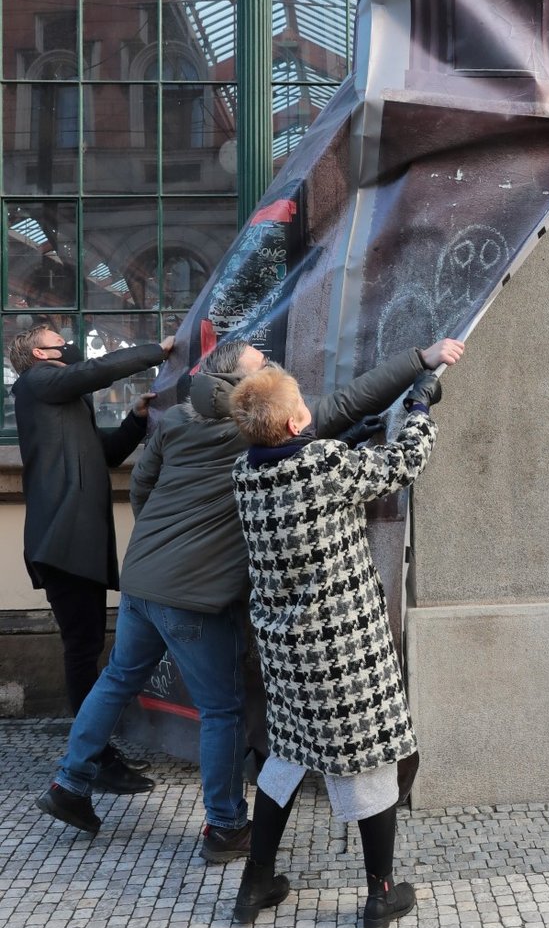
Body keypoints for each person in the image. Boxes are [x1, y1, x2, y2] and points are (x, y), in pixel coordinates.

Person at [34, 336, 463, 858]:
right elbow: (351, 401)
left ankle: (68, 784)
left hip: (142, 579)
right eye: (262, 366)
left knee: (119, 676)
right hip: (193, 594)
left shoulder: (172, 421)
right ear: (238, 383)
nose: (274, 370)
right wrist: (422, 359)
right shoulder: (252, 424)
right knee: (221, 709)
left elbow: (141, 490)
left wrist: (158, 551)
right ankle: (224, 825)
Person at [226, 358, 450, 928]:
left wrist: (350, 433)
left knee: (288, 754)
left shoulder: (245, 472)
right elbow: (403, 463)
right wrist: (419, 407)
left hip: (285, 649)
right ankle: (380, 894)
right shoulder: (324, 466)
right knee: (369, 754)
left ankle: (256, 884)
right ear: (300, 421)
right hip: (345, 647)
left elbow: (299, 462)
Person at [10, 324, 174, 793]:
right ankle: (92, 758)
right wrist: (153, 352)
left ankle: (96, 750)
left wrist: (138, 419)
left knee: (85, 647)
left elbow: (103, 452)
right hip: (62, 543)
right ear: (39, 354)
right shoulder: (37, 382)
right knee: (82, 651)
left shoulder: (60, 398)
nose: (68, 346)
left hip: (74, 543)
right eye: (58, 341)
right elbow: (95, 370)